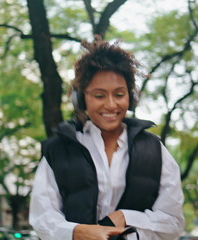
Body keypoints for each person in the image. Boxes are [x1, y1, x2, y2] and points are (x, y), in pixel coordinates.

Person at [29, 37, 185, 240]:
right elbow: (42, 217)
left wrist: (124, 217)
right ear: (81, 99)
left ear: (131, 98)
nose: (111, 105)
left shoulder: (154, 149)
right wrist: (78, 232)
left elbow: (173, 222)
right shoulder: (59, 149)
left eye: (119, 94)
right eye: (99, 96)